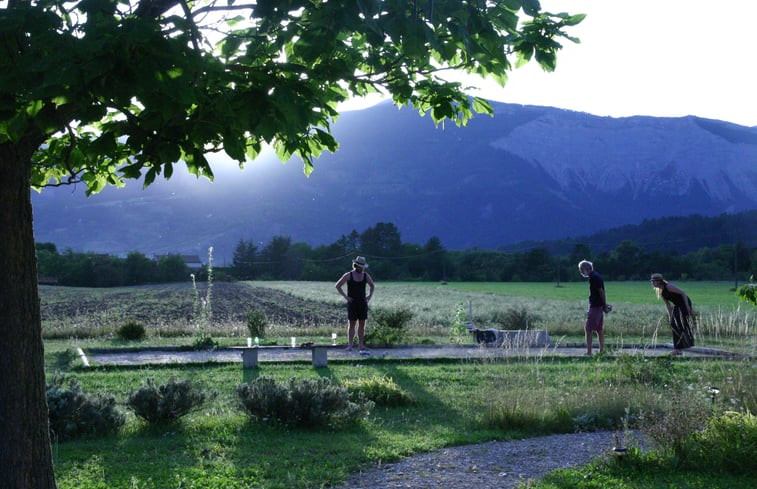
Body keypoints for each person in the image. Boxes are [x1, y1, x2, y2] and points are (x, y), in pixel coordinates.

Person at [335, 256, 375, 354]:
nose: (361, 268)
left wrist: (369, 296)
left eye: (362, 266)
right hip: (352, 303)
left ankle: (361, 345)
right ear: (355, 265)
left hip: (362, 303)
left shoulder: (366, 276)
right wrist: (346, 297)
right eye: (360, 266)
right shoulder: (348, 275)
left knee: (362, 325)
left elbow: (372, 286)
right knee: (351, 324)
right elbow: (338, 285)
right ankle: (350, 345)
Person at [650, 273, 695, 355]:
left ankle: (678, 349)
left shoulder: (668, 287)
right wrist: (670, 317)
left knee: (678, 324)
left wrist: (688, 307)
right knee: (674, 324)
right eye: (652, 281)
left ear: (659, 281)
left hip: (683, 304)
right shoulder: (661, 291)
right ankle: (679, 348)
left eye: (653, 281)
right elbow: (667, 304)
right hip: (677, 306)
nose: (652, 283)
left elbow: (683, 293)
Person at [578, 260, 609, 355]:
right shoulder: (596, 275)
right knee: (599, 330)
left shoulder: (593, 278)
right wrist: (603, 305)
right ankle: (601, 351)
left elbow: (601, 292)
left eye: (581, 270)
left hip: (595, 306)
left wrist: (604, 304)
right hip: (598, 306)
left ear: (586, 269)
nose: (582, 272)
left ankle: (589, 352)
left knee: (588, 329)